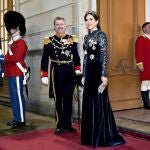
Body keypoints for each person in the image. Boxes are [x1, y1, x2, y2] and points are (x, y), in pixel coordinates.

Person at [81, 10, 126, 148]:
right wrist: (83, 75)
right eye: (86, 19)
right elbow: (85, 57)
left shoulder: (101, 35)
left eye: (91, 19)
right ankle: (90, 136)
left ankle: (100, 135)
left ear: (97, 21)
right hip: (89, 74)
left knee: (98, 102)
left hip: (98, 73)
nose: (88, 22)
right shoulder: (86, 37)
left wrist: (104, 74)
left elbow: (104, 56)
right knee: (89, 102)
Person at [40, 16, 81, 135]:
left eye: (62, 24)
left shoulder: (72, 39)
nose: (60, 26)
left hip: (70, 71)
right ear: (54, 26)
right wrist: (44, 74)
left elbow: (76, 56)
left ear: (65, 26)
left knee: (68, 99)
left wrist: (78, 69)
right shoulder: (49, 40)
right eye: (57, 24)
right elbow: (44, 59)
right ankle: (59, 125)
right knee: (58, 99)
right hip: (57, 71)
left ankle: (68, 124)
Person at [4, 11, 28, 128]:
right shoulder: (13, 42)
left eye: (11, 27)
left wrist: (6, 57)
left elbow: (14, 58)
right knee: (14, 97)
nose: (9, 29)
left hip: (17, 73)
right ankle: (16, 118)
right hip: (11, 73)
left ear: (17, 26)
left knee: (18, 96)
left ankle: (21, 120)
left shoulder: (21, 42)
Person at [135, 22, 150, 109]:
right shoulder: (141, 39)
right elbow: (138, 52)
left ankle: (148, 101)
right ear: (144, 29)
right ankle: (146, 103)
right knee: (145, 82)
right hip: (145, 65)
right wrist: (139, 64)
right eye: (148, 26)